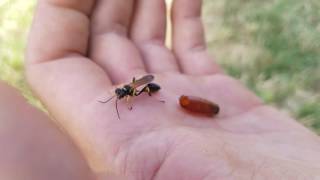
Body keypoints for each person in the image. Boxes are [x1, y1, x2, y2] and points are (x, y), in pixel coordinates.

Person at [1, 0, 320, 179]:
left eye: (122, 95)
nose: (121, 96)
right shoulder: (123, 91)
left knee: (144, 90)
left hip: (152, 86)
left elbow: (136, 89)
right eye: (121, 95)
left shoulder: (132, 90)